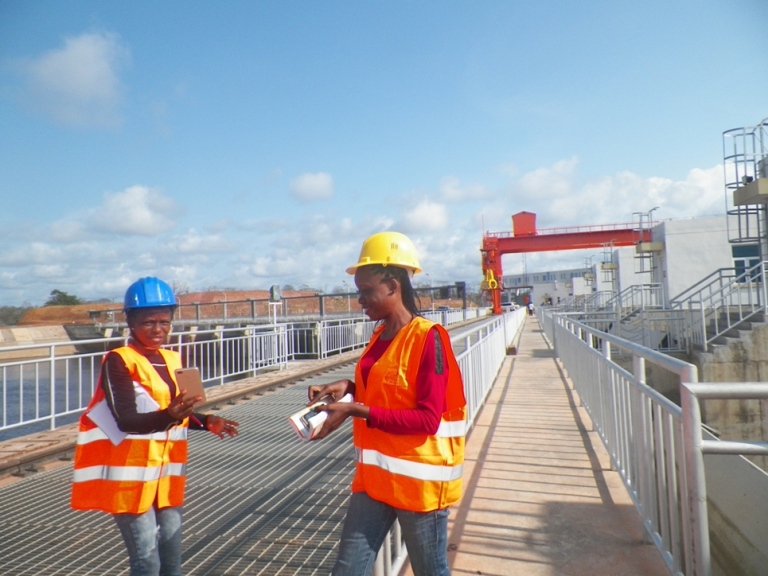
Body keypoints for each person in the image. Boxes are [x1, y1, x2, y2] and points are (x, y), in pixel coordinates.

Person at [307, 232, 466, 576]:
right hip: (375, 481)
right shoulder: (380, 335)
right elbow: (385, 388)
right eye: (358, 292)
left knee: (431, 570)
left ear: (393, 287)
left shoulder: (429, 338)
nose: (360, 300)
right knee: (347, 570)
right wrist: (345, 388)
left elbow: (426, 419)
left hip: (419, 488)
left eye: (366, 292)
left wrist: (352, 410)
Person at [70, 277, 239, 576]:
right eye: (149, 322)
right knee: (147, 560)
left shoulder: (174, 358)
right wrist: (171, 414)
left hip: (166, 475)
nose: (158, 329)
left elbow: (181, 412)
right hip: (131, 477)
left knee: (172, 559)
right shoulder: (119, 361)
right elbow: (127, 419)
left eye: (165, 322)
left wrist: (207, 421)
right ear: (131, 322)